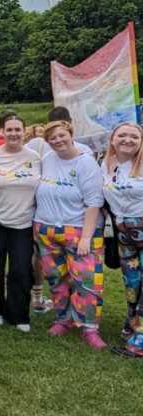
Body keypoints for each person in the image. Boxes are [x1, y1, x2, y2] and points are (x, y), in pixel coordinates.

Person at [34, 120, 106, 350]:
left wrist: (86, 237)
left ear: (71, 134)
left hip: (78, 230)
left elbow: (94, 201)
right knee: (56, 278)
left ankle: (89, 327)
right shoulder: (47, 160)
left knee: (85, 280)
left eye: (61, 135)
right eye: (52, 138)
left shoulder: (86, 162)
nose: (58, 141)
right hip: (46, 229)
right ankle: (63, 319)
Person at [0, 115, 41, 333]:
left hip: (23, 222)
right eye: (9, 129)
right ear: (1, 132)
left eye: (18, 129)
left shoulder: (35, 157)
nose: (14, 133)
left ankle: (18, 314)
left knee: (21, 269)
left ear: (24, 131)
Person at [101, 123, 143, 357]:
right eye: (122, 135)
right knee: (132, 284)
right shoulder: (107, 165)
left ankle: (140, 341)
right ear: (113, 139)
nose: (128, 139)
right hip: (123, 234)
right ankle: (131, 324)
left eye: (134, 136)